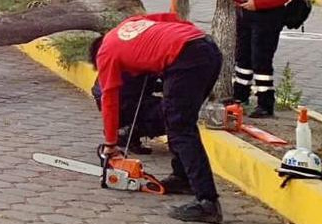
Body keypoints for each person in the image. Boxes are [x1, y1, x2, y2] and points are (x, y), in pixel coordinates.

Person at [91, 13, 224, 224]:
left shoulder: (105, 55)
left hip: (185, 58)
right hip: (206, 48)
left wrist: (110, 144)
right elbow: (171, 17)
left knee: (180, 128)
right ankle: (183, 178)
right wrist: (187, 37)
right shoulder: (128, 24)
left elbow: (110, 100)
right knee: (181, 122)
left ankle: (207, 202)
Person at [223, 0, 291, 118]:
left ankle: (265, 103)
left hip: (267, 17)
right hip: (244, 13)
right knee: (242, 55)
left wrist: (258, 4)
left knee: (261, 58)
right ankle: (240, 96)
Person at [91, 73, 165, 154]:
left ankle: (123, 131)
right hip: (120, 97)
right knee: (170, 111)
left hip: (107, 95)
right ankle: (129, 132)